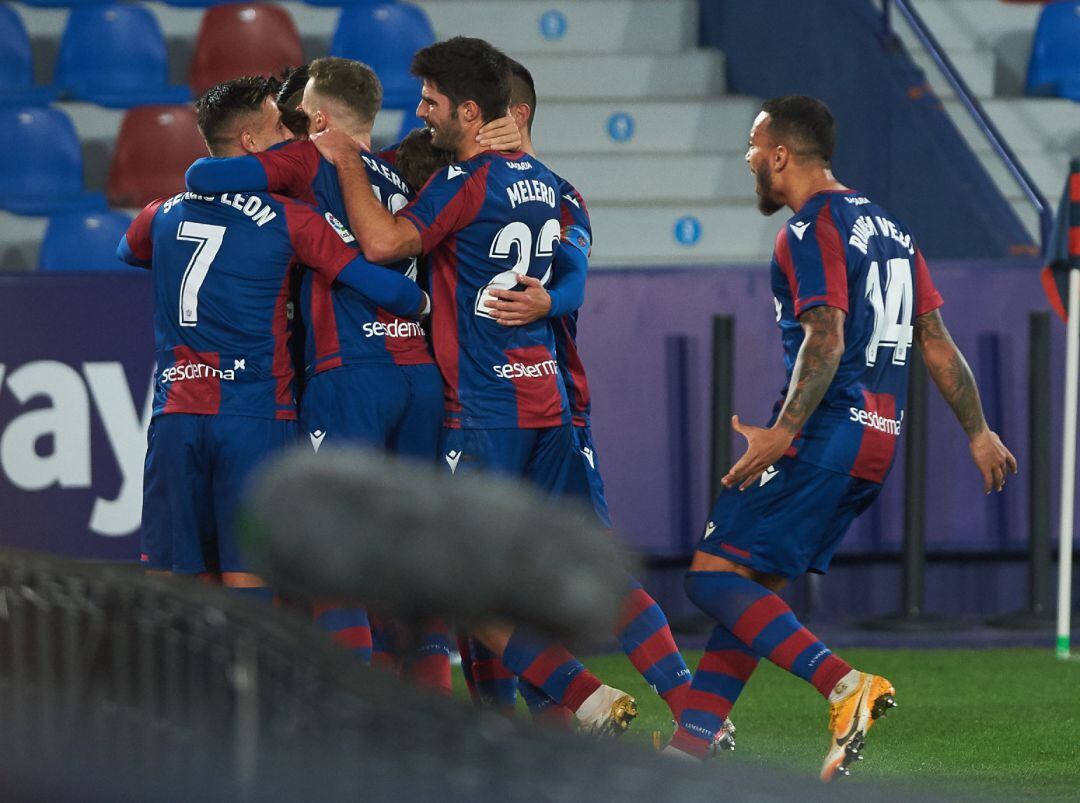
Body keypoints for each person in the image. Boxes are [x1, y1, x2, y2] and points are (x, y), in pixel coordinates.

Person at [661, 96, 1017, 780]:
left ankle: (842, 683)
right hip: (877, 441)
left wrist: (781, 432)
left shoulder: (809, 228)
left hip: (823, 435)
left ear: (782, 155)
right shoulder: (893, 230)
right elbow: (935, 343)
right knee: (749, 589)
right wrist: (979, 431)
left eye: (754, 149)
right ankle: (689, 748)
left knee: (709, 578)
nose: (750, 161)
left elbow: (826, 333)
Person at [312, 36, 637, 736]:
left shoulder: (466, 185)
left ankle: (573, 703)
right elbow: (573, 275)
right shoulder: (546, 185)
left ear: (491, 111)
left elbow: (386, 245)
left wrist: (339, 159)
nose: (419, 111)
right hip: (544, 402)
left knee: (465, 577)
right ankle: (572, 723)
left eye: (431, 101)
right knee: (506, 576)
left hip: (490, 405)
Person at [461, 58, 713, 743]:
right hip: (539, 408)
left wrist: (546, 299)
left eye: (476, 112)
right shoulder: (525, 192)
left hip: (526, 409)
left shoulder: (547, 194)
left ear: (513, 116)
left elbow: (573, 281)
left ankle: (670, 709)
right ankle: (659, 717)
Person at [118, 76, 428, 594]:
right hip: (256, 412)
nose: (295, 130)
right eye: (281, 123)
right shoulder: (293, 218)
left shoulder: (161, 213)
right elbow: (373, 282)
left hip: (176, 414)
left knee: (172, 582)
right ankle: (250, 678)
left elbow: (128, 252)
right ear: (251, 145)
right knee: (250, 581)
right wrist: (421, 302)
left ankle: (177, 677)